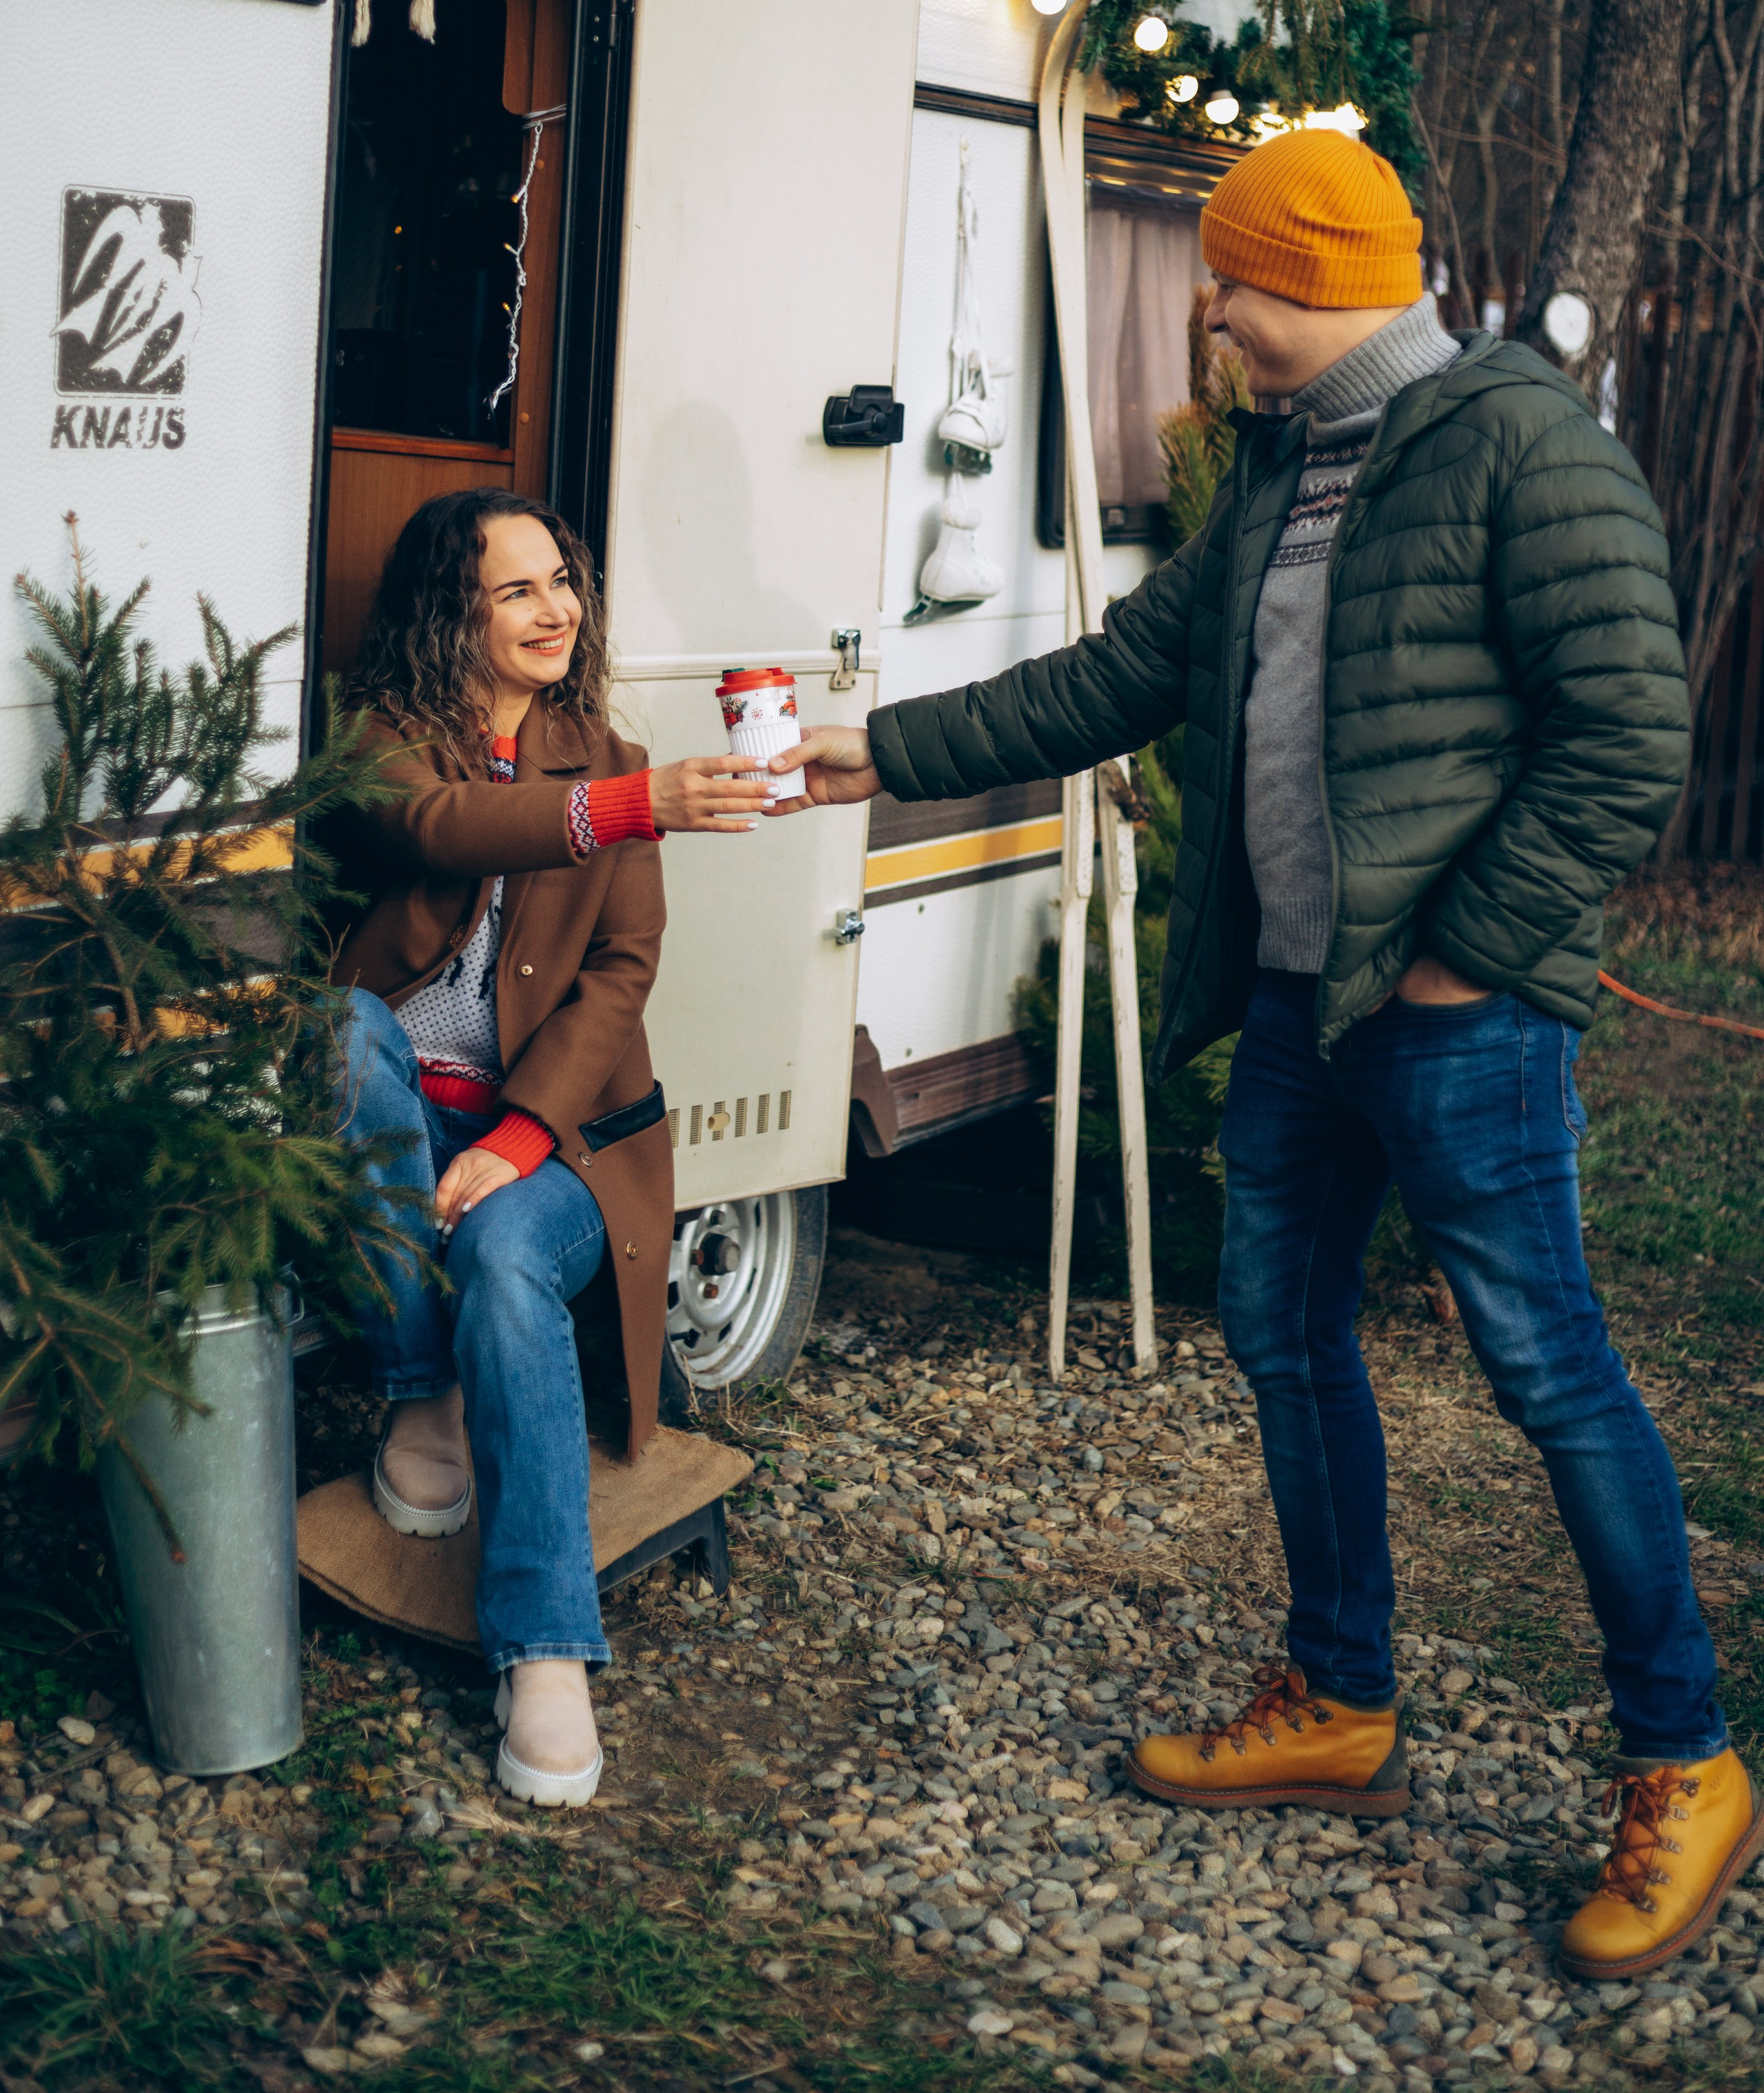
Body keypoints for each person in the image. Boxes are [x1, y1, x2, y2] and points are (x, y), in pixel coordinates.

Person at [771, 130, 1759, 1978]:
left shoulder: (1524, 445)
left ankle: (1685, 1757)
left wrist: (1470, 954)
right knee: (1282, 1332)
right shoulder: (1284, 472)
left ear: (1302, 271)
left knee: (1550, 1371)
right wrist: (872, 752)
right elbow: (1121, 673)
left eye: (1222, 276)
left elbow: (1629, 731)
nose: (1203, 306)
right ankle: (1342, 1692)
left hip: (1456, 1012)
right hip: (1305, 1006)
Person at [325, 487, 759, 1808]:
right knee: (337, 1028)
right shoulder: (383, 737)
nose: (555, 607)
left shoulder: (607, 747)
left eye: (561, 579)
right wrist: (625, 809)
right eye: (516, 589)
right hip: (406, 1108)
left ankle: (548, 1648)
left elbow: (621, 974)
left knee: (512, 1260)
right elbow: (438, 831)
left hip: (567, 1143)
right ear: (450, 614)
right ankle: (422, 1388)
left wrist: (519, 1139)